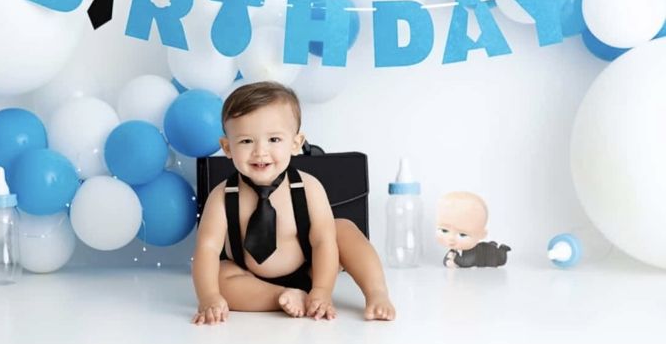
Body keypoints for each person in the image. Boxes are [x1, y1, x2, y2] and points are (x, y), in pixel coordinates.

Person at [192, 81, 395, 325]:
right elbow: (207, 249)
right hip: (251, 278)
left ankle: (377, 293)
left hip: (311, 271)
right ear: (227, 147)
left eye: (274, 139)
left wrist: (321, 290)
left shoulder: (308, 187)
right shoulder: (222, 196)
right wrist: (209, 296)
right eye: (246, 141)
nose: (260, 151)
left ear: (296, 144)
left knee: (342, 229)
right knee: (221, 274)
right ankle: (281, 297)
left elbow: (322, 242)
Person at [435, 191, 510, 268]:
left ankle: (503, 249)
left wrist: (455, 259)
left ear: (481, 234)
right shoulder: (454, 249)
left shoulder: (473, 253)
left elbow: (467, 262)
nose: (451, 238)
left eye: (462, 234)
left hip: (491, 255)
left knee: (501, 259)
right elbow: (446, 260)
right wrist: (448, 261)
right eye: (444, 230)